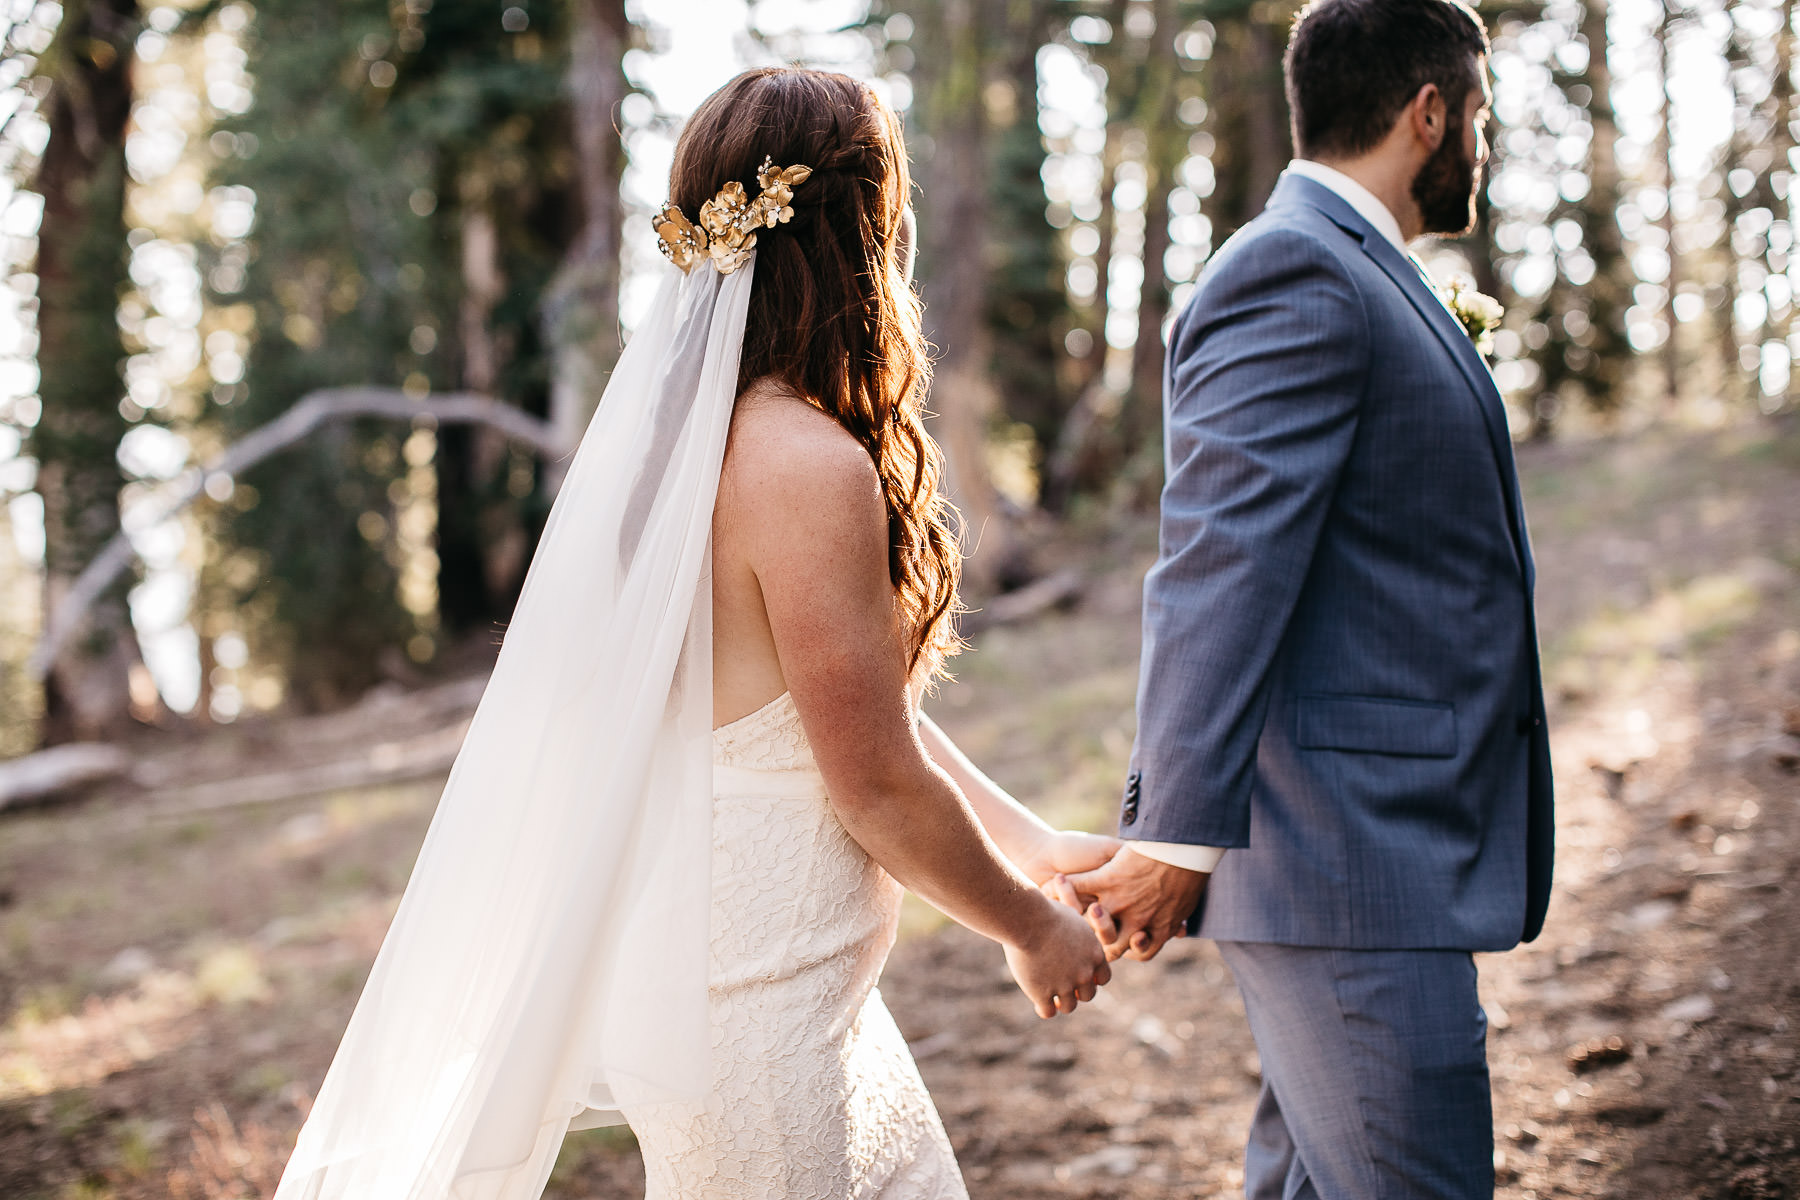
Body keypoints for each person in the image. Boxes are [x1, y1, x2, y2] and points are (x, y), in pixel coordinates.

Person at [273, 67, 1114, 1200]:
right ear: (867, 231)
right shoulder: (805, 467)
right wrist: (1029, 928)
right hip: (756, 1023)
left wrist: (1036, 850)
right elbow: (871, 784)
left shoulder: (678, 457)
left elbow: (843, 720)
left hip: (789, 1000)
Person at [1066, 2, 1555, 1196]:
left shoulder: (1362, 273)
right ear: (1428, 112)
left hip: (1378, 847)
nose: (1478, 148)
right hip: (1349, 859)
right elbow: (1220, 562)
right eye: (1476, 117)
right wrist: (1175, 835)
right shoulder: (1297, 268)